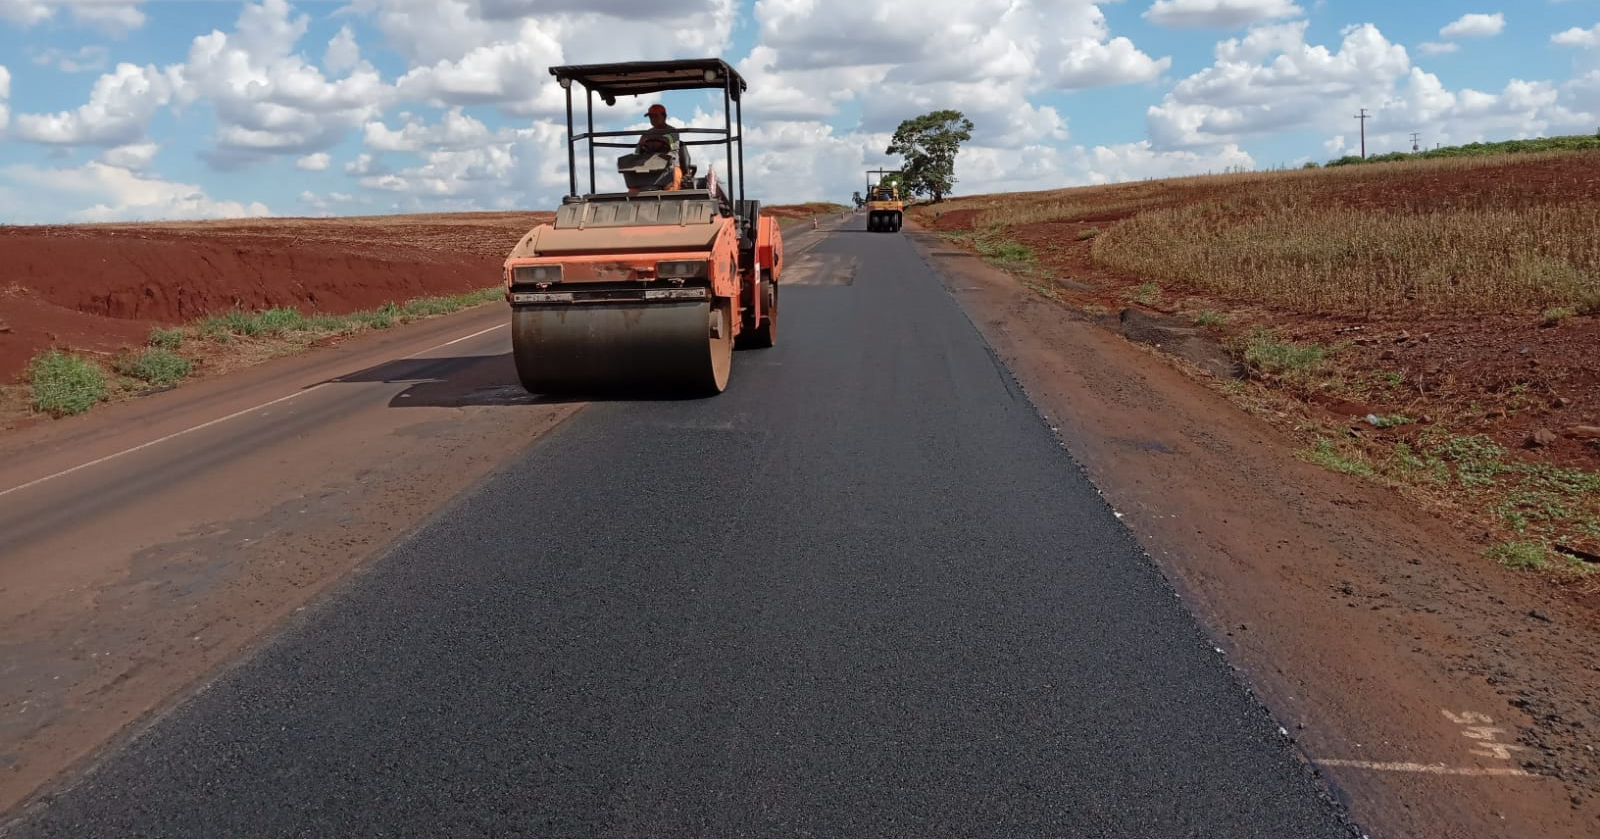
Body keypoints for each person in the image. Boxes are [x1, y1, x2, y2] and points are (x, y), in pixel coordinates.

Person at [636, 103, 691, 173]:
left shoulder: (672, 132)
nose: (653, 119)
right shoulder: (646, 134)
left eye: (655, 116)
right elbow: (637, 152)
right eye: (650, 117)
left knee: (675, 175)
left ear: (664, 116)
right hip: (648, 168)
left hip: (670, 168)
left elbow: (671, 150)